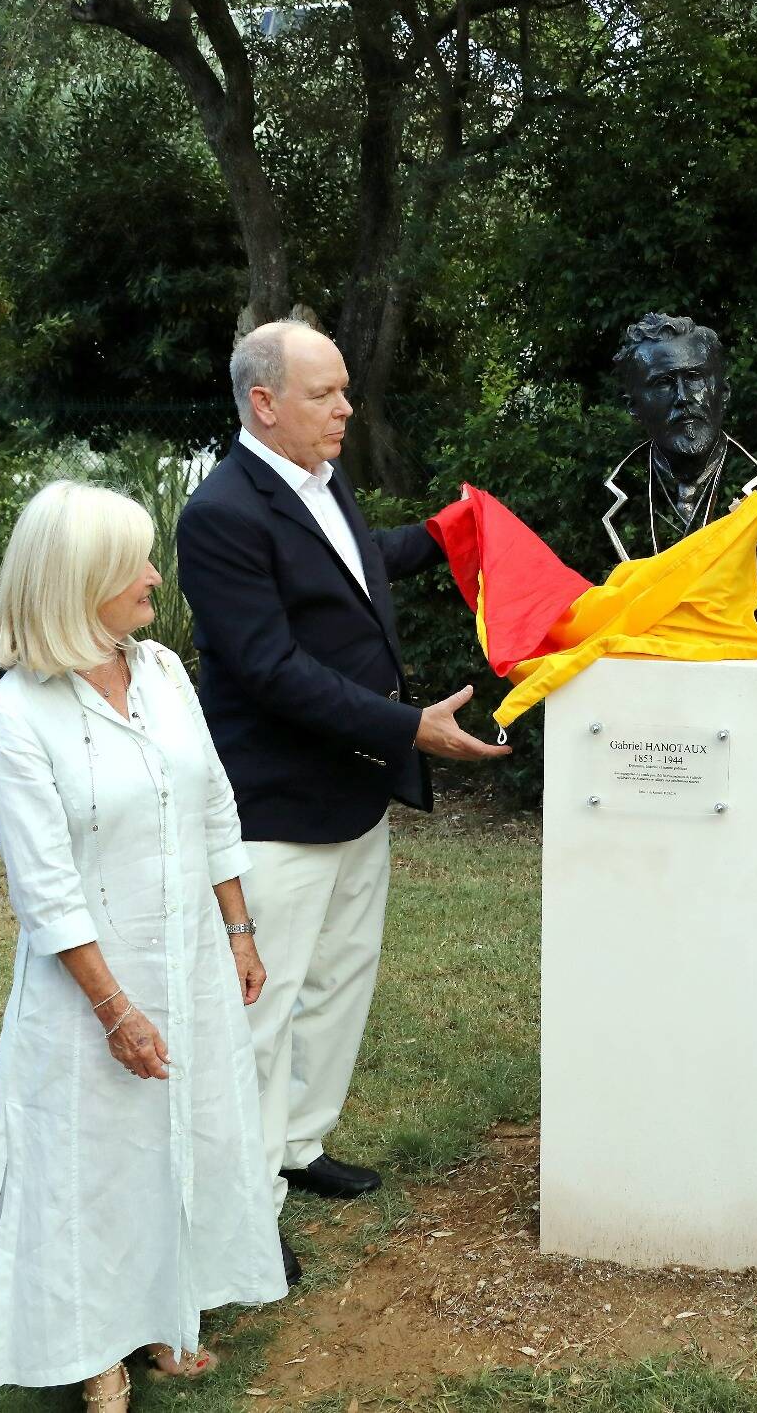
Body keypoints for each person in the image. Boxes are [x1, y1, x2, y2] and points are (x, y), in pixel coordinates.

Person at [0, 481, 285, 1406]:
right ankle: (90, 1350)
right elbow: (45, 891)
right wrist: (115, 1009)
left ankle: (169, 1315)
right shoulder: (13, 719)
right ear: (78, 579)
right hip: (88, 985)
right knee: (90, 1164)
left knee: (183, 1138)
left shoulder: (161, 671)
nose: (154, 575)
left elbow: (211, 804)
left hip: (192, 954)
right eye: (134, 562)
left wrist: (237, 929)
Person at [176, 320, 509, 1243]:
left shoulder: (322, 480)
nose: (346, 409)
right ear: (264, 402)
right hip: (276, 809)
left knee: (337, 987)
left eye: (345, 390)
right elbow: (270, 668)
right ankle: (240, 1210)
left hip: (356, 796)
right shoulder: (220, 514)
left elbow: (354, 570)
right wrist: (410, 727)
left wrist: (444, 535)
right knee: (262, 1011)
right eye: (326, 394)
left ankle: (297, 1145)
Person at [602, 312, 757, 561]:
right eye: (663, 383)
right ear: (634, 407)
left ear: (723, 392)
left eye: (694, 377)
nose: (682, 397)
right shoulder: (603, 501)